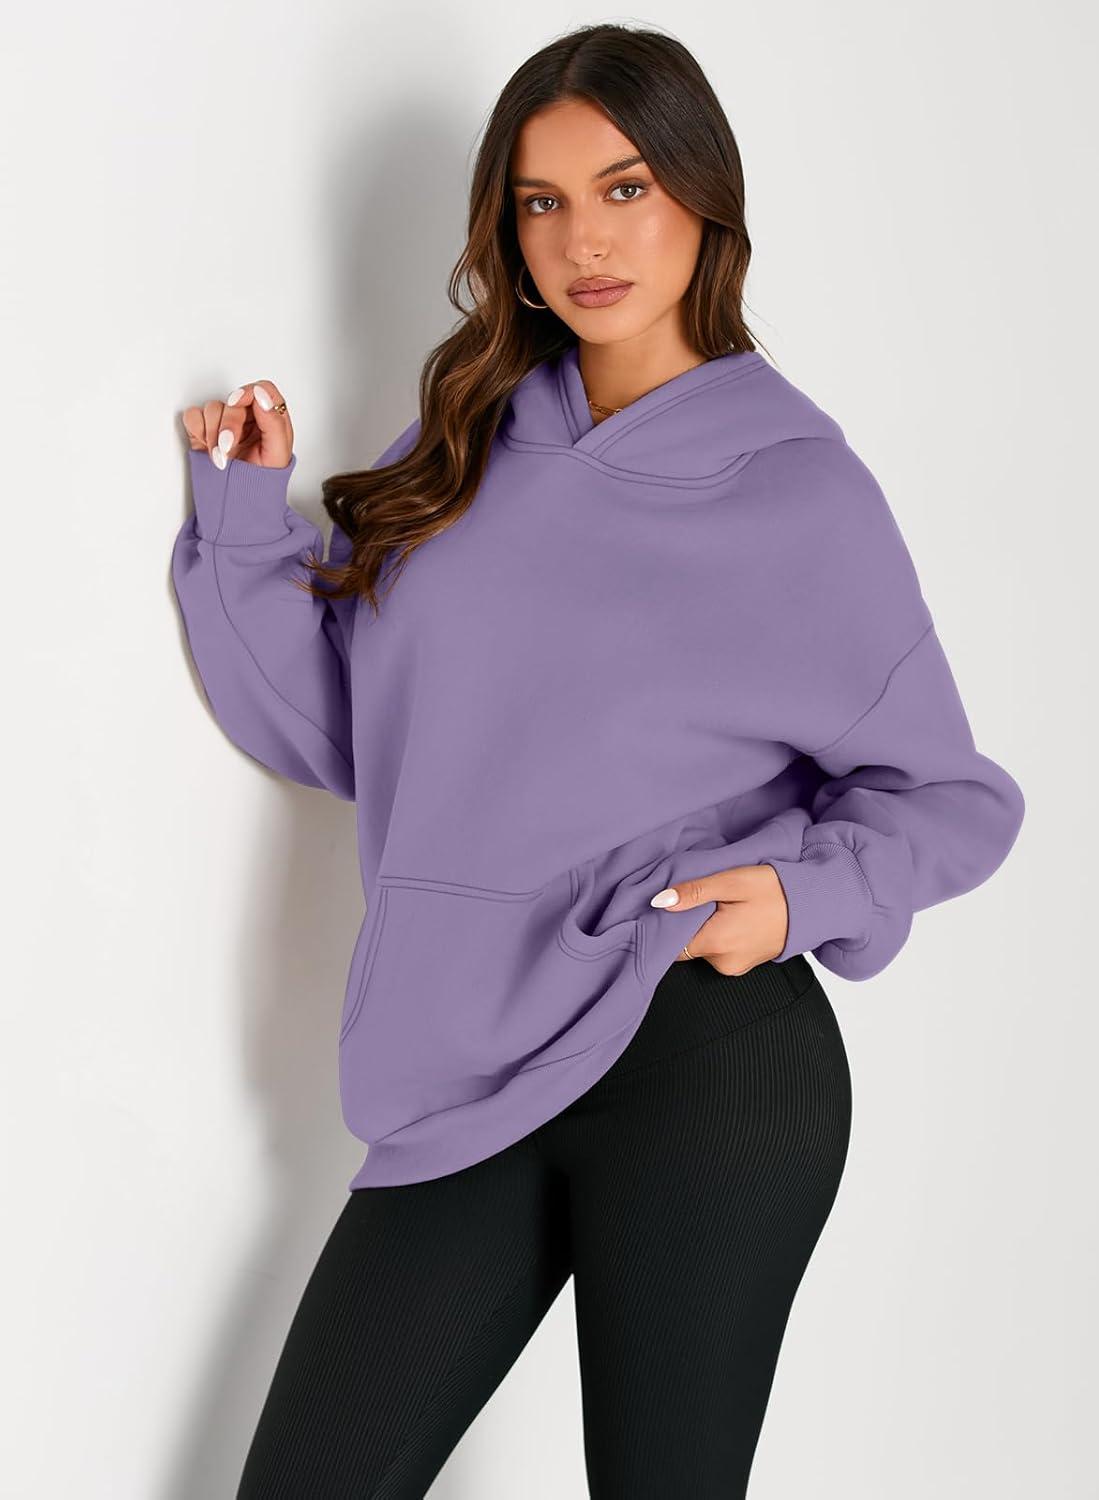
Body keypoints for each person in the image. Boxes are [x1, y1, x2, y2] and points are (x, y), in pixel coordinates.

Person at [171, 22, 1025, 1499]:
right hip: (467, 1060)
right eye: (542, 201)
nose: (585, 241)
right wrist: (246, 523)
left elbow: (952, 798)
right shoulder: (465, 437)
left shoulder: (800, 490)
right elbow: (351, 730)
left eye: (626, 189)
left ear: (704, 197)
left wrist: (799, 896)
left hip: (702, 1052)